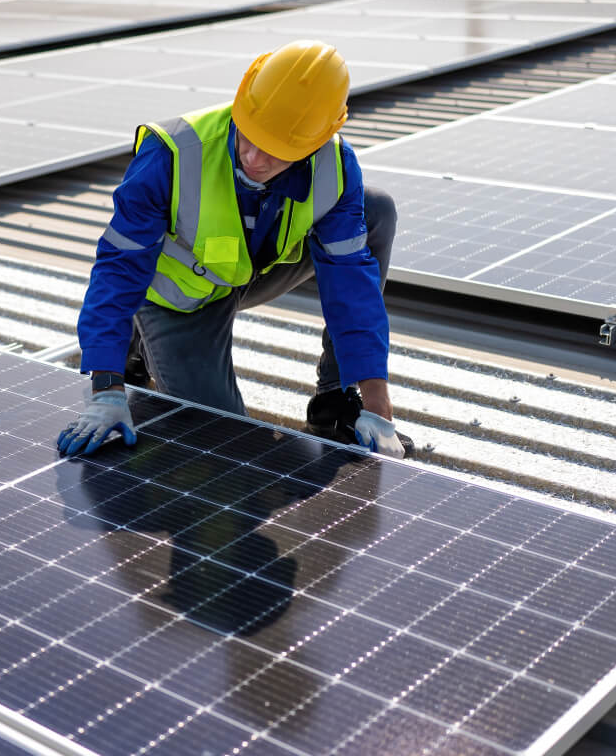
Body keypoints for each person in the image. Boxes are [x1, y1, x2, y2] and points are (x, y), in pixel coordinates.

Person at [56, 39, 412, 460]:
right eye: (249, 135)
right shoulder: (172, 154)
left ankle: (335, 403)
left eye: (277, 150)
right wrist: (106, 387)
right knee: (224, 443)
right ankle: (134, 346)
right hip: (180, 298)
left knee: (376, 210)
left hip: (250, 271)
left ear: (316, 142)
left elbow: (351, 286)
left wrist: (377, 403)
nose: (255, 158)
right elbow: (119, 268)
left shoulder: (335, 168)